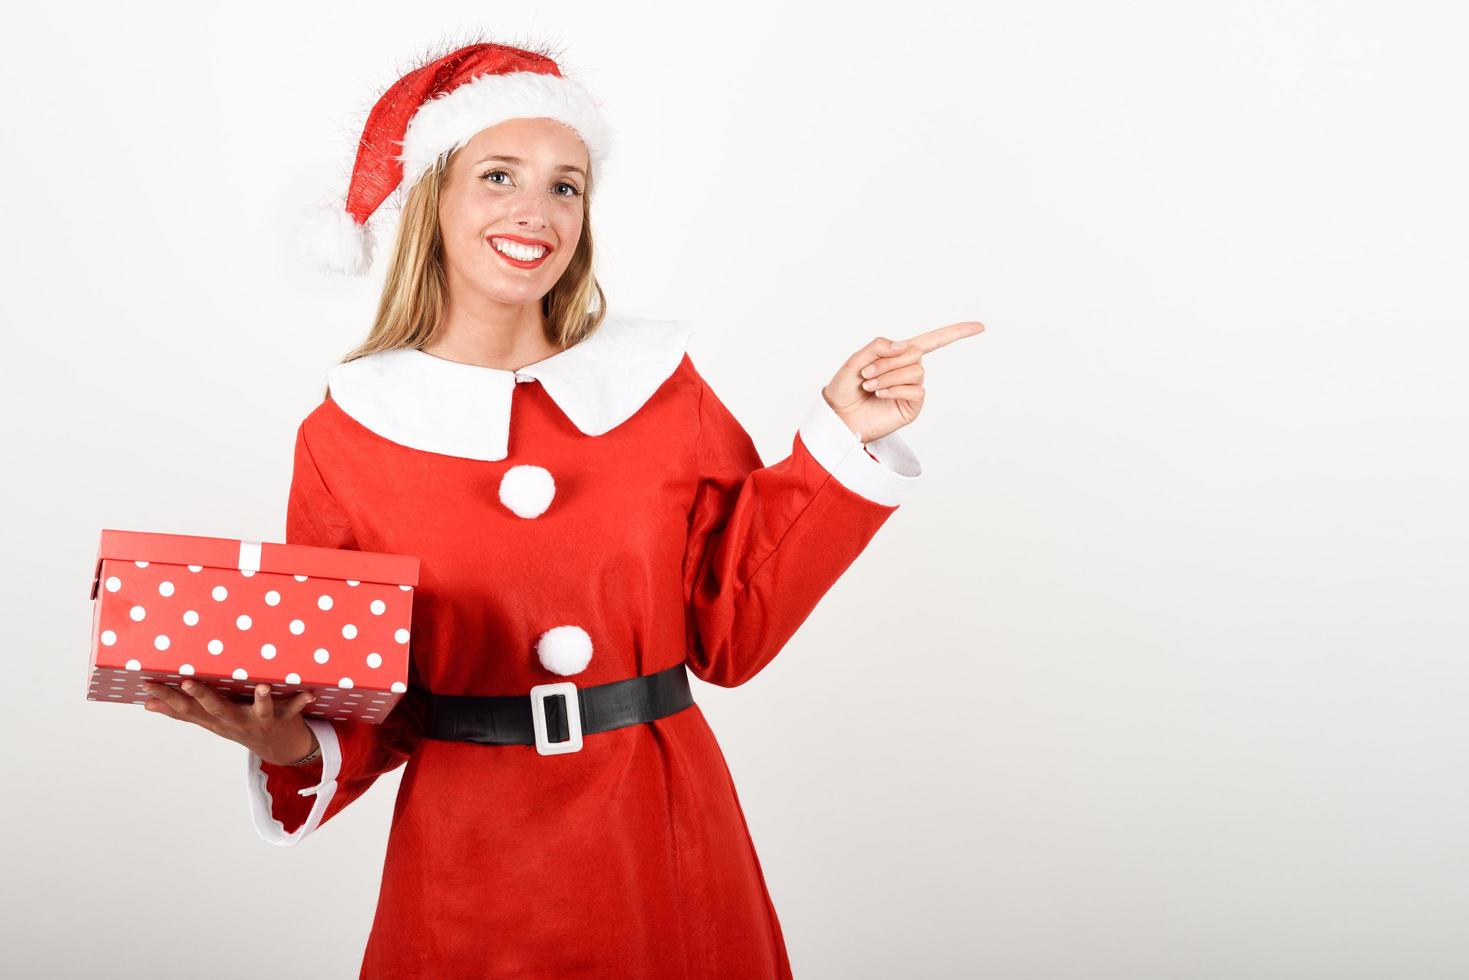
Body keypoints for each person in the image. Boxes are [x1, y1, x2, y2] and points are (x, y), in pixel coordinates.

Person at [139, 36, 982, 978]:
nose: (535, 213)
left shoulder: (658, 388)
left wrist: (838, 439)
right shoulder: (346, 438)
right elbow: (368, 706)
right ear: (434, 198)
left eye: (565, 186)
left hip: (663, 831)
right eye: (499, 176)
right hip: (469, 858)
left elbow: (731, 632)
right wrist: (283, 737)